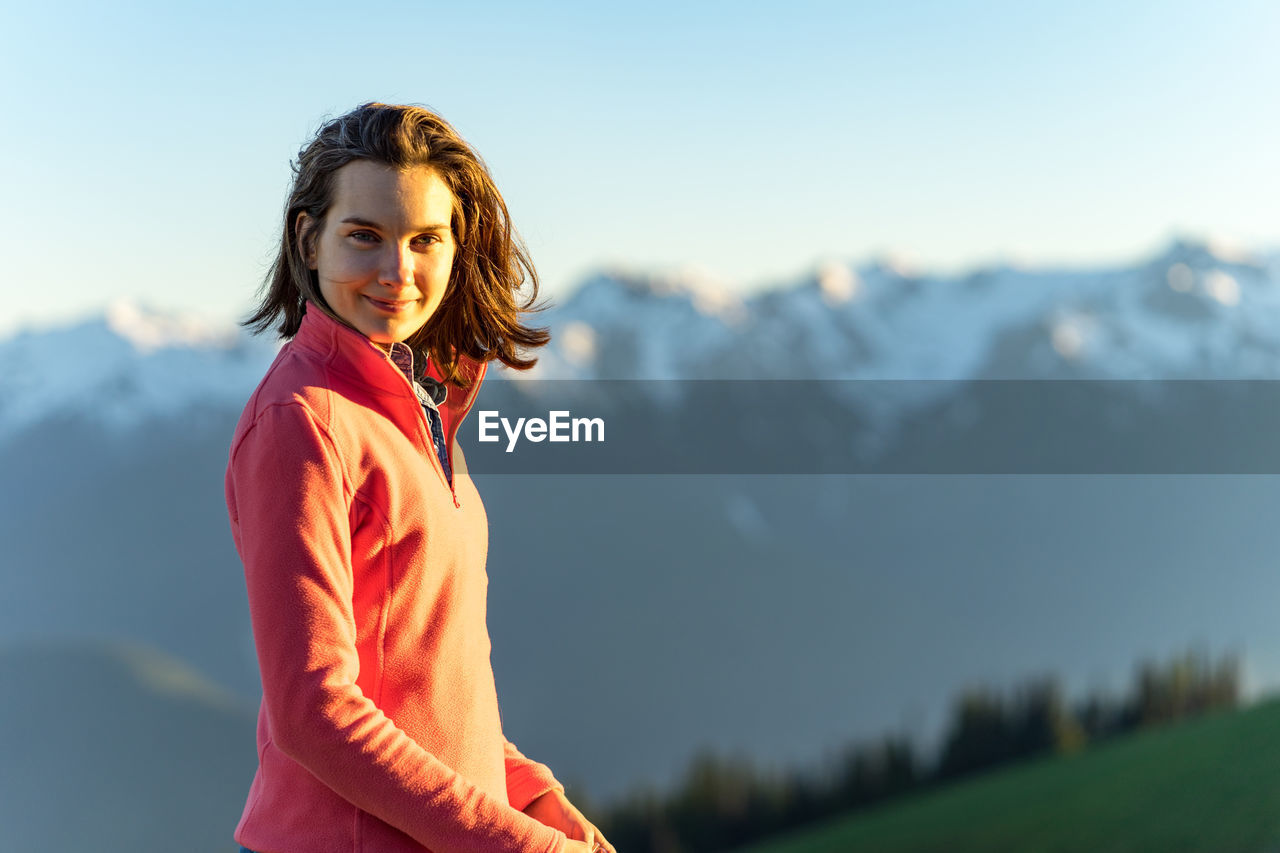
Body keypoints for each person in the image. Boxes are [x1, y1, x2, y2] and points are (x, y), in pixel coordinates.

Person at [226, 102, 612, 853]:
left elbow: (434, 688)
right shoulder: (299, 421)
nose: (398, 273)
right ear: (310, 238)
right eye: (364, 236)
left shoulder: (421, 406)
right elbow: (313, 712)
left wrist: (539, 801)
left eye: (424, 240)